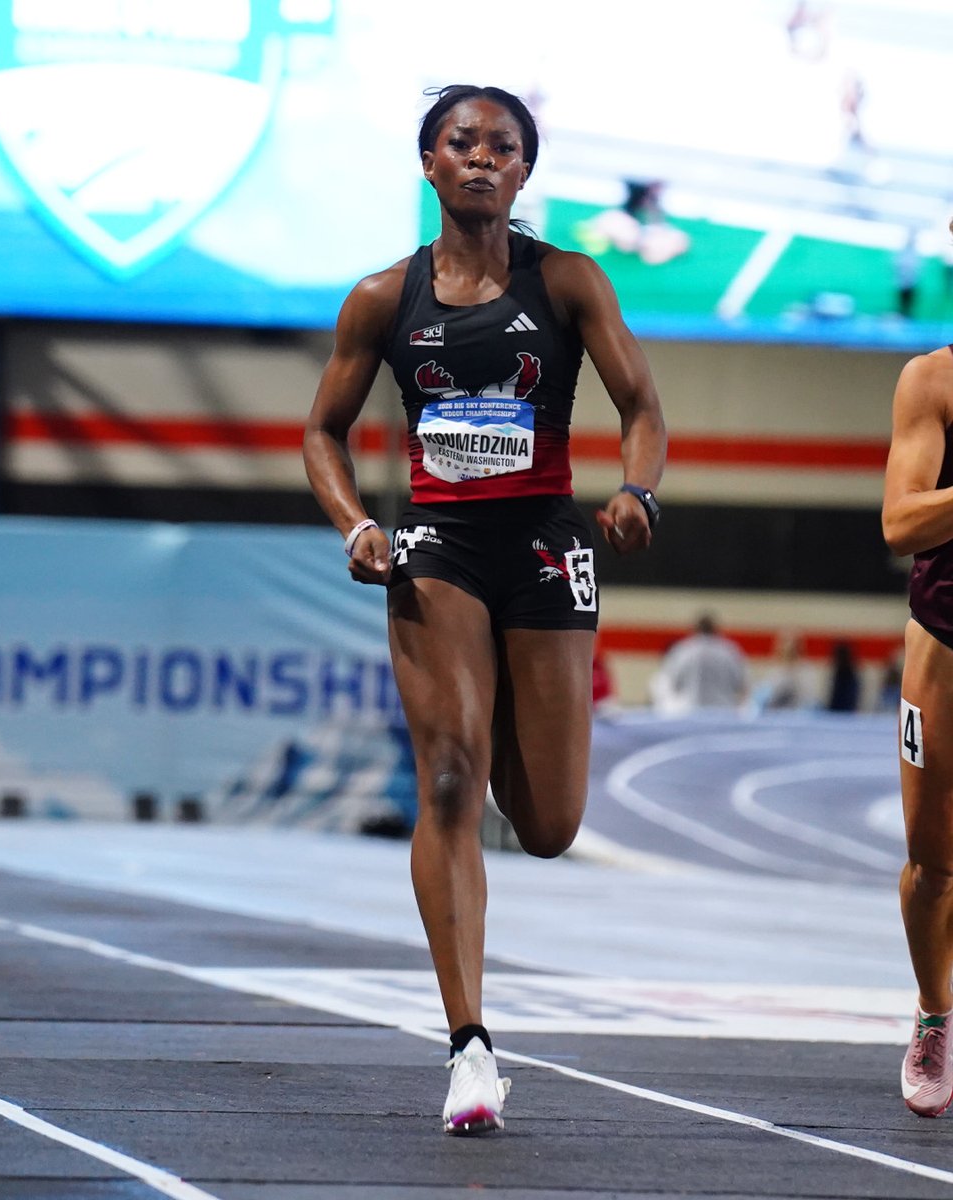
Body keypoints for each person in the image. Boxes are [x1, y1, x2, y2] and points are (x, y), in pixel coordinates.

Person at [302, 84, 665, 1135]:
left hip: (548, 545)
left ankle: (501, 718)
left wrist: (637, 492)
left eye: (501, 147)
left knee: (548, 822)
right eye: (460, 143)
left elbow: (641, 408)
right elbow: (323, 431)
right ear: (429, 164)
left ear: (523, 171)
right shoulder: (382, 299)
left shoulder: (570, 284)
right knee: (450, 778)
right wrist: (357, 527)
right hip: (438, 547)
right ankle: (468, 1047)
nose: (480, 159)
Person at [882, 325, 953, 1117]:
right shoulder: (932, 381)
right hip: (945, 646)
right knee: (934, 868)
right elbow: (900, 524)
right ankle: (935, 1012)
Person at [648, 613, 748, 714]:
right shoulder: (729, 651)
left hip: (689, 711)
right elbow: (741, 685)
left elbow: (673, 683)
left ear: (695, 629)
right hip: (722, 711)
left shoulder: (683, 651)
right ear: (715, 630)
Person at [825, 640, 860, 712]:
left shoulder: (847, 674)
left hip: (843, 712)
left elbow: (845, 698)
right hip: (842, 711)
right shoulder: (841, 672)